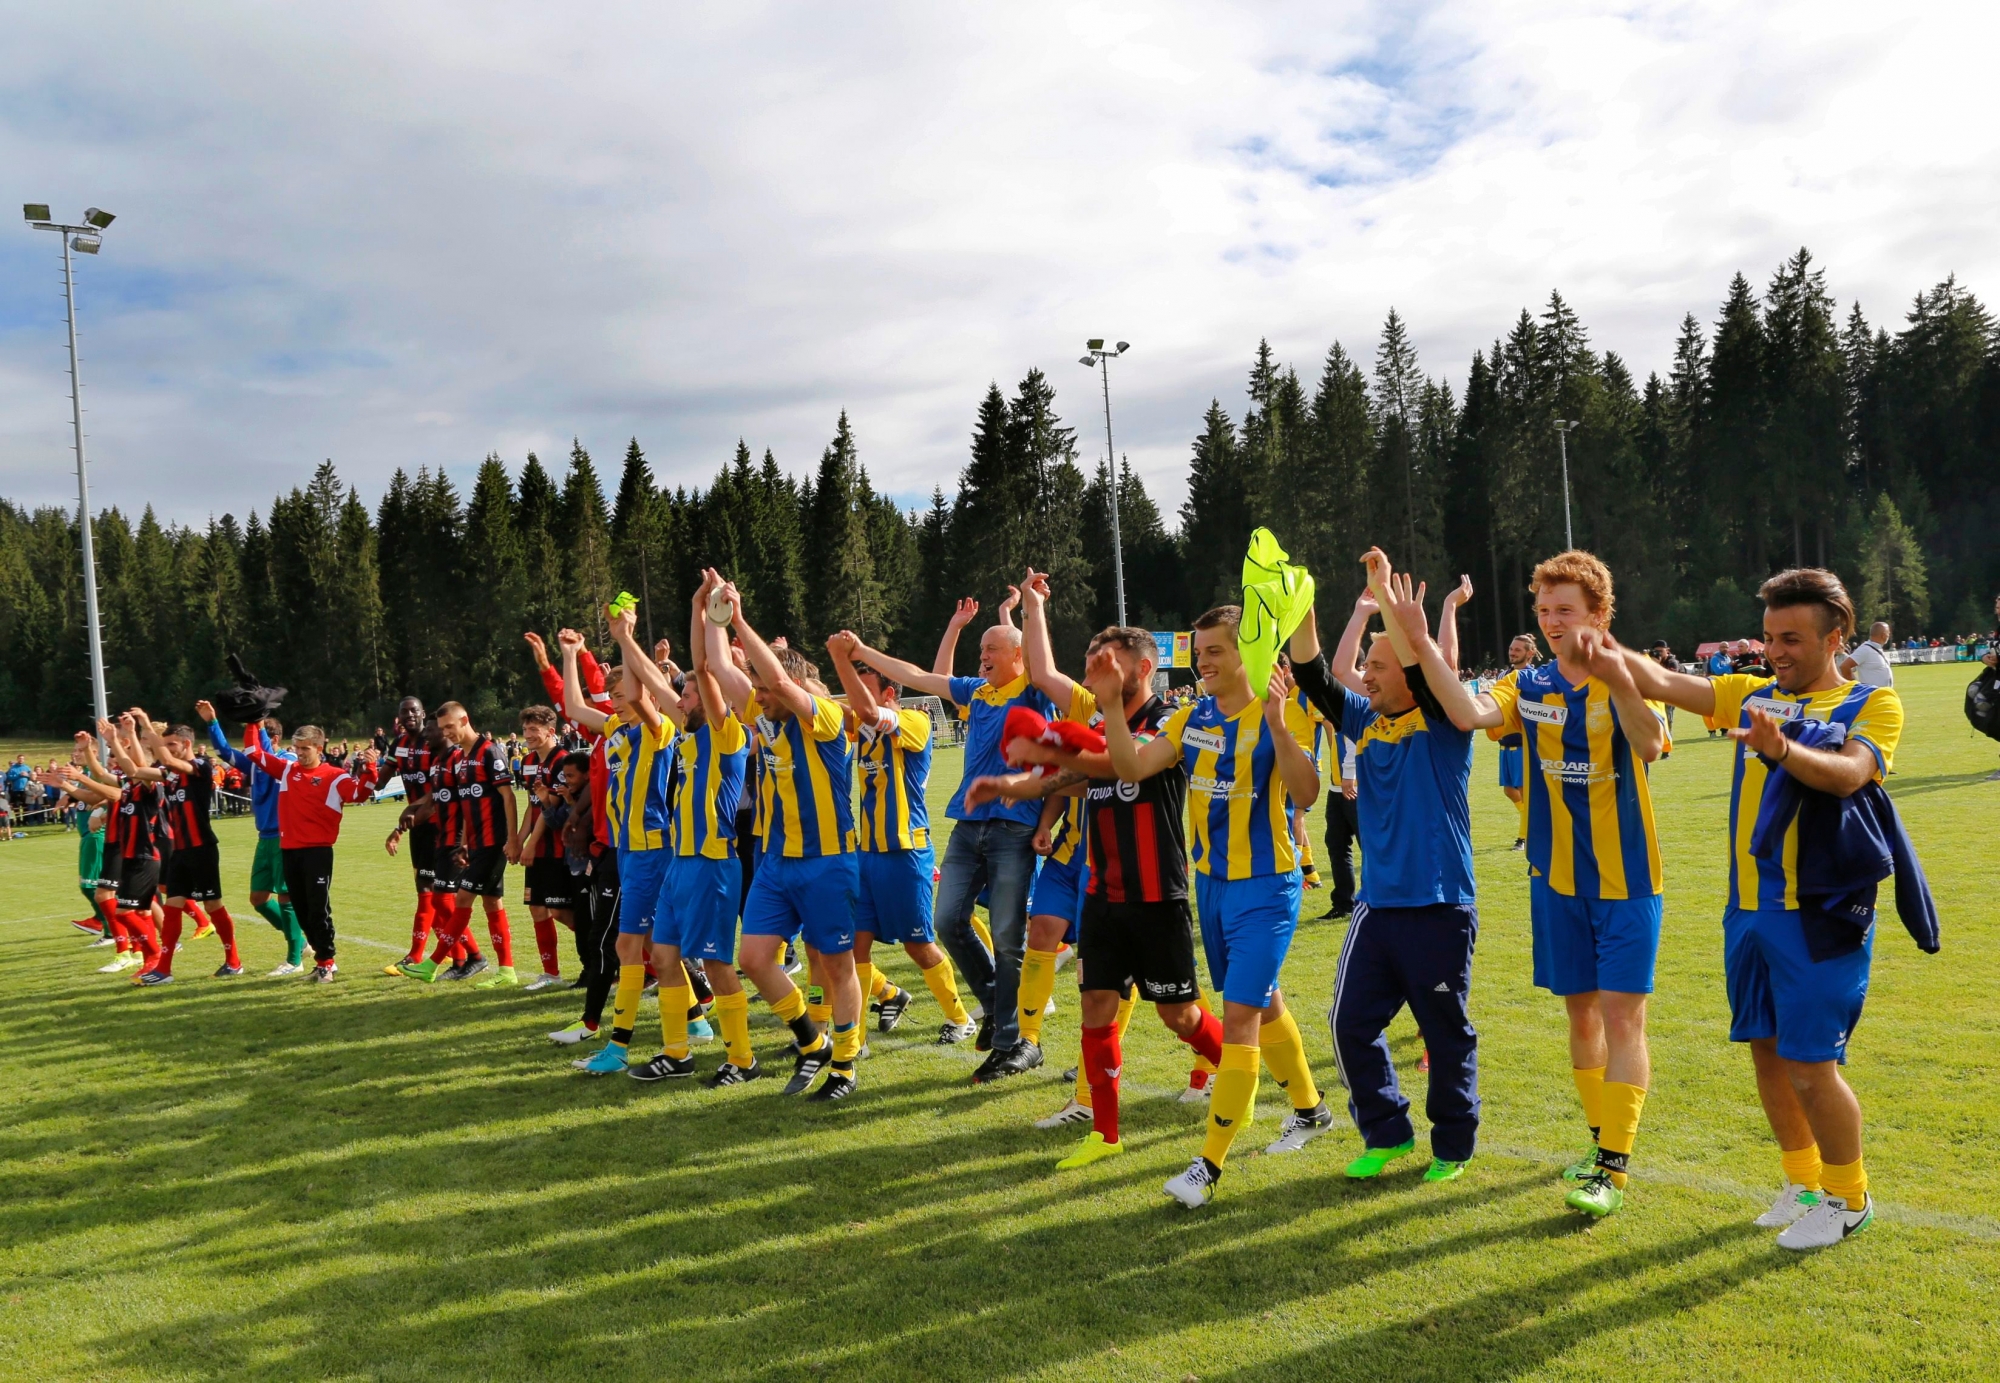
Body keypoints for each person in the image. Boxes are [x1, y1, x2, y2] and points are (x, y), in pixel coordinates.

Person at [1614, 568, 1904, 1251]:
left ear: (1837, 636)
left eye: (1792, 638)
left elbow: (1851, 773)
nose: (1776, 650)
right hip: (1744, 909)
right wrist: (1601, 647)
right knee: (1768, 1054)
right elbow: (1660, 683)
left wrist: (1785, 749)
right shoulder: (1752, 693)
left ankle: (1850, 1196)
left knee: (1812, 1064)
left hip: (1817, 914)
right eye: (1770, 636)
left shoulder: (1871, 703)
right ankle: (1803, 1181)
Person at [1440, 551, 1667, 1219]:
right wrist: (1424, 630)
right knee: (1580, 1013)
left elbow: (1651, 743)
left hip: (1626, 879)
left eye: (1565, 609)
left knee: (1625, 1015)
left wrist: (1617, 674)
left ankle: (1613, 1170)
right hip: (1556, 879)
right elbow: (1470, 713)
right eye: (1543, 611)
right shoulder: (1529, 682)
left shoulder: (1632, 675)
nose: (1552, 621)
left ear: (1599, 614)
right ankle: (1601, 1145)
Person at [1087, 603, 1331, 1207]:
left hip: (1268, 887)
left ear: (1246, 654)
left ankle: (1207, 1168)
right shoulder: (1191, 717)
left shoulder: (1276, 711)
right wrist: (1114, 705)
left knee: (1241, 1013)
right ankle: (1310, 1109)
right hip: (1212, 888)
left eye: (1215, 650)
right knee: (1265, 1000)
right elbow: (1131, 766)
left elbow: (1307, 794)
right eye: (1199, 652)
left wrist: (1276, 722)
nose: (1203, 661)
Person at [1289, 549, 1481, 1186]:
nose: (1365, 676)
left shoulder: (1441, 720)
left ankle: (1452, 1145)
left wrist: (1394, 607)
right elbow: (1315, 674)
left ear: (1406, 671)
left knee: (1443, 1031)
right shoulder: (1364, 719)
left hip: (1439, 906)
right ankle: (1388, 1131)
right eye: (1366, 665)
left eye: (1376, 666)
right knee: (1350, 1024)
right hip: (1378, 906)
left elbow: (1427, 673)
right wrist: (1302, 606)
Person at [847, 600, 1053, 1081]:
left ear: (1017, 656)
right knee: (948, 921)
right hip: (968, 823)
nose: (982, 655)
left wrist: (1030, 610)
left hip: (1015, 826)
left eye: (991, 648)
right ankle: (990, 1002)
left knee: (1006, 935)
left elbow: (1040, 658)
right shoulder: (979, 692)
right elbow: (923, 677)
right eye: (980, 648)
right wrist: (863, 651)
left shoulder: (1034, 690)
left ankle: (1010, 1039)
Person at [705, 575, 865, 1099]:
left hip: (828, 859)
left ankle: (843, 1065)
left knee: (837, 966)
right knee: (752, 960)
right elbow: (722, 670)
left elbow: (775, 675)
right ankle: (810, 1041)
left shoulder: (825, 719)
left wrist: (741, 616)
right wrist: (713, 614)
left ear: (789, 687)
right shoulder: (765, 716)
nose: (759, 694)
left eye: (768, 687)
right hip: (777, 862)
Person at [825, 628, 979, 1045]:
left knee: (918, 945)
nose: (857, 699)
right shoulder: (860, 725)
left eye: (866, 688)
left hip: (905, 851)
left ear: (890, 693)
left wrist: (841, 660)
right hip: (867, 853)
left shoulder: (915, 720)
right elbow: (824, 708)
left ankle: (960, 1017)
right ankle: (851, 1040)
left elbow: (870, 715)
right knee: (855, 947)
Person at [240, 722, 378, 982]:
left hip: (317, 853)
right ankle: (323, 962)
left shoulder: (334, 776)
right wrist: (252, 722)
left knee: (318, 909)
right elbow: (252, 753)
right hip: (289, 851)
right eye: (297, 748)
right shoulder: (287, 770)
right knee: (301, 911)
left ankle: (326, 962)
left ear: (319, 747)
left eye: (305, 748)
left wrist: (370, 769)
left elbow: (360, 794)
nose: (299, 753)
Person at [200, 703, 310, 974]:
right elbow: (225, 753)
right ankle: (302, 942)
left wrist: (258, 724)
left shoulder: (288, 761)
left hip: (286, 837)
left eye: (258, 736)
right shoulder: (254, 765)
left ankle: (294, 960)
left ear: (273, 739)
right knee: (259, 898)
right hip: (264, 838)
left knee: (286, 897)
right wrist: (213, 723)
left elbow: (269, 756)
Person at [138, 720, 245, 981]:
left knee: (212, 905)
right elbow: (136, 770)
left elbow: (172, 763)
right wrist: (130, 734)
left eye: (171, 744)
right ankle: (164, 969)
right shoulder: (172, 775)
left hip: (202, 849)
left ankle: (233, 961)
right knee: (173, 907)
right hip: (180, 852)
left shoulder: (200, 766)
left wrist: (146, 724)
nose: (167, 749)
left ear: (187, 744)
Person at [376, 697, 450, 975]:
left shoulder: (434, 744)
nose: (409, 715)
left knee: (429, 889)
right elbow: (382, 780)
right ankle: (450, 951)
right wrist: (369, 770)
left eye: (413, 710)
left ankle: (417, 955)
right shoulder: (399, 745)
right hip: (416, 825)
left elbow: (438, 789)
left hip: (437, 823)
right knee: (426, 887)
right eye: (404, 711)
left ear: (422, 713)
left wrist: (402, 824)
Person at [513, 704, 574, 992]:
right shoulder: (527, 761)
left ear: (551, 731)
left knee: (561, 911)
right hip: (537, 849)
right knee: (537, 908)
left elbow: (554, 810)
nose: (528, 735)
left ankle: (623, 956)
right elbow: (532, 806)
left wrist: (531, 843)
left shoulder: (563, 761)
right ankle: (551, 973)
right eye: (525, 729)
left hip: (557, 848)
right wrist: (517, 839)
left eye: (533, 730)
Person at [1490, 632, 1540, 849]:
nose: (1512, 652)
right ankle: (1533, 822)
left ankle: (1524, 836)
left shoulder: (1533, 677)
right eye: (1511, 648)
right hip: (1505, 742)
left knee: (1523, 789)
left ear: (1529, 654)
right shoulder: (1504, 674)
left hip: (1523, 742)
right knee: (1509, 790)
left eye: (1517, 649)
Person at [1838, 621, 1895, 688]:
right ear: (1883, 635)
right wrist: (1856, 687)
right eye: (1888, 633)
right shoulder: (1865, 649)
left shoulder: (1877, 648)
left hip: (1882, 695)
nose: (1889, 635)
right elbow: (1845, 666)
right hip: (1872, 696)